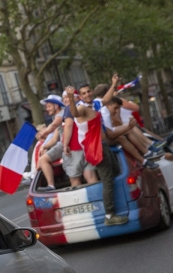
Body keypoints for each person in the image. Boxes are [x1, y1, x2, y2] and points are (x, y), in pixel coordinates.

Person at [66, 86, 132, 226]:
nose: (87, 94)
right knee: (107, 180)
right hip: (95, 148)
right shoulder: (82, 108)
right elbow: (74, 113)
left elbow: (106, 99)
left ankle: (116, 205)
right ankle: (109, 215)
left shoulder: (95, 104)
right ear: (81, 96)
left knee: (115, 172)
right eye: (83, 93)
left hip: (103, 144)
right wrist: (71, 97)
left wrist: (113, 84)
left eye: (89, 91)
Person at [36, 94, 65, 191]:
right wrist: (44, 146)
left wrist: (44, 133)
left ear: (56, 106)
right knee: (42, 157)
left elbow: (53, 125)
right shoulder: (56, 116)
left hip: (65, 144)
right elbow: (55, 138)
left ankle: (51, 185)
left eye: (48, 106)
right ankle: (34, 175)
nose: (47, 109)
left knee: (42, 160)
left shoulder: (61, 114)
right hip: (62, 143)